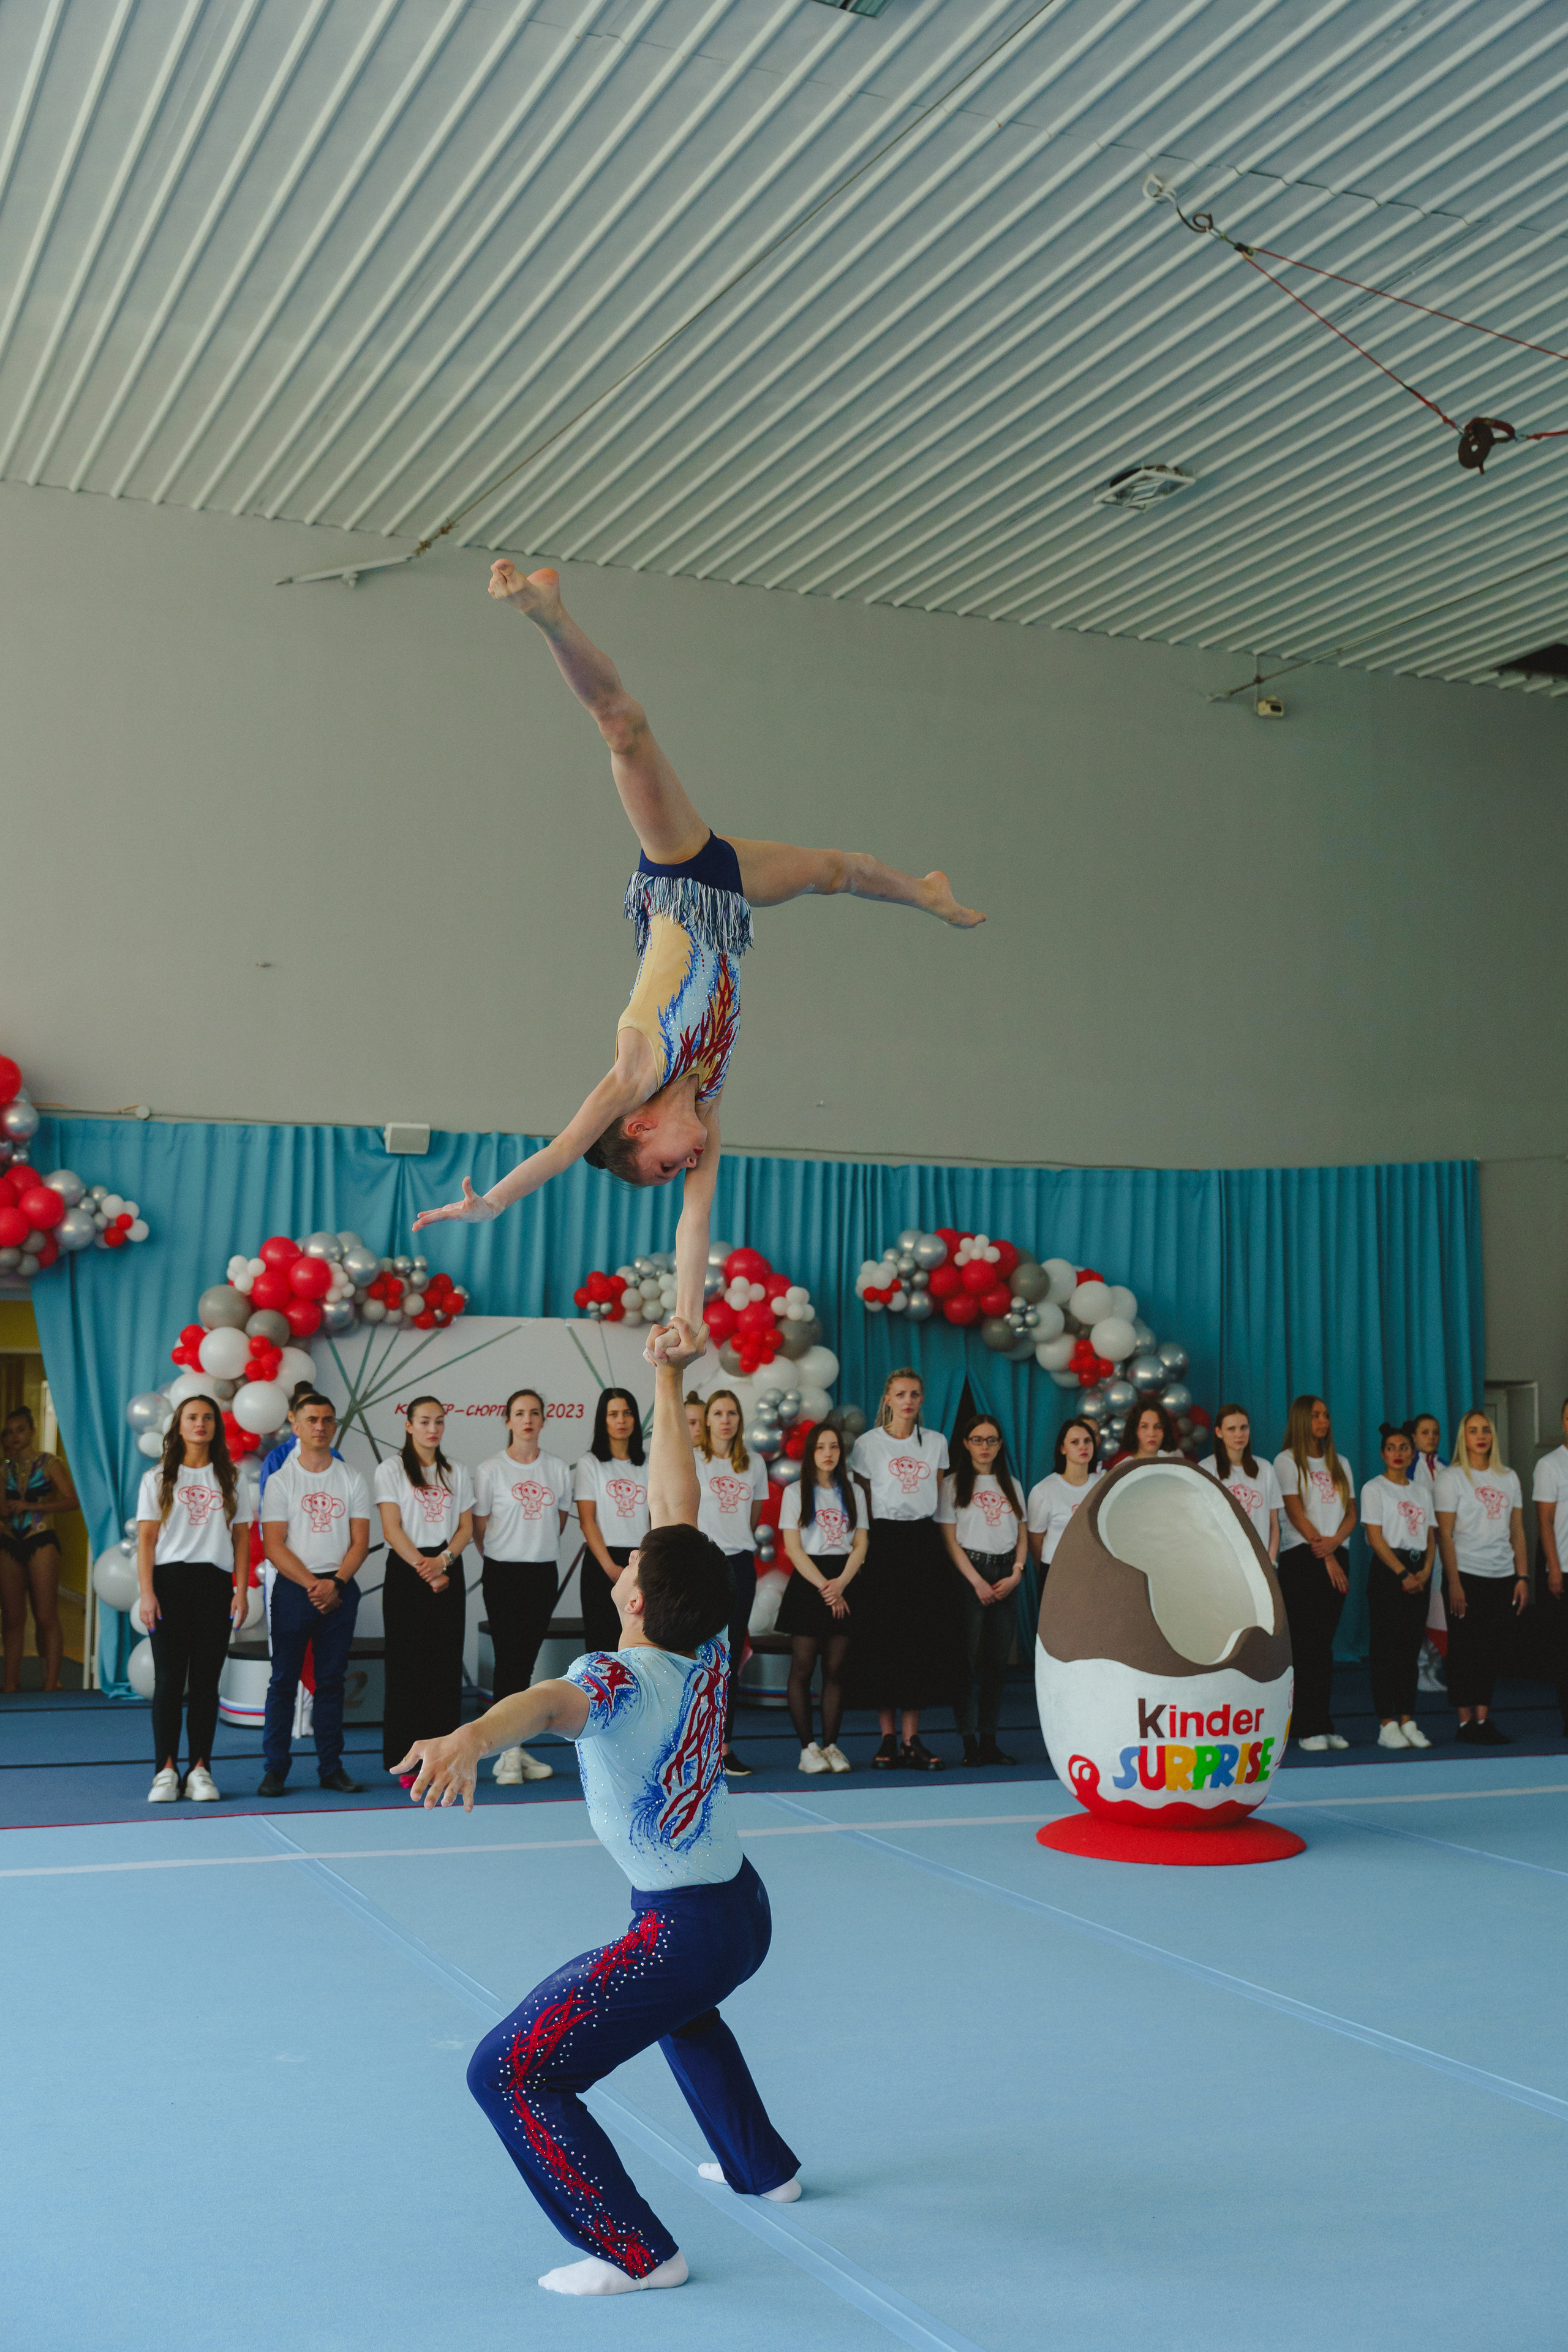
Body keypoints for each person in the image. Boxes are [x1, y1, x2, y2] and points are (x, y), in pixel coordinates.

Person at [412, 564, 982, 1343]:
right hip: (729, 892)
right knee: (838, 871)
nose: (685, 1168)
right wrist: (687, 1319)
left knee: (622, 727)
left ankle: (546, 615)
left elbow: (565, 1147)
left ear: (638, 1130)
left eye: (664, 1167)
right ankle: (928, 893)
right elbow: (695, 1224)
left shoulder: (634, 1073)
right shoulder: (707, 1097)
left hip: (678, 876)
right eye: (677, 1174)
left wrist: (495, 1203)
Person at [399, 1318, 801, 2300]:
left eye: (630, 1569)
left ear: (636, 1600)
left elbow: (544, 1704)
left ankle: (635, 2251)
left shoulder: (619, 1678)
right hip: (742, 1909)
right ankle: (763, 2169)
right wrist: (666, 1380)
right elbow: (676, 1507)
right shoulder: (712, 1642)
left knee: (508, 2072)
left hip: (686, 1932)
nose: (622, 1566)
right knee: (684, 2015)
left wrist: (470, 1736)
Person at [135, 1394, 253, 1801]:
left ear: (216, 1426)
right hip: (168, 1585)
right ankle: (165, 1770)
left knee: (205, 1682)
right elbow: (147, 1540)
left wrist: (240, 1591)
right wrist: (147, 1593)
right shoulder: (157, 1478)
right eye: (192, 1417)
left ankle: (201, 1769)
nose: (200, 1423)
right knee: (169, 1681)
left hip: (214, 1587)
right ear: (179, 1426)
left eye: (208, 1418)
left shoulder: (232, 1478)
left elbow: (241, 1538)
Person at [258, 1393, 371, 1796]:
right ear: (296, 1425)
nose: (320, 1427)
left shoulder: (352, 1479)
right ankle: (275, 1769)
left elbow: (360, 1543)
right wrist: (313, 1585)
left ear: (334, 1426)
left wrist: (335, 1584)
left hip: (340, 1588)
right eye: (312, 1419)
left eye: (327, 1420)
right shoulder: (281, 1480)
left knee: (331, 1682)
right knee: (283, 1681)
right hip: (295, 1589)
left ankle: (331, 1767)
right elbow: (274, 1545)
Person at [848, 1369, 952, 1772]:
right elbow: (861, 1499)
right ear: (888, 1399)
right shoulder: (868, 1444)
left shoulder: (936, 1443)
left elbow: (937, 1495)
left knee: (918, 1639)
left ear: (922, 1400)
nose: (908, 1401)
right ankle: (887, 1737)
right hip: (883, 1541)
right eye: (901, 1394)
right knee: (884, 1638)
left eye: (915, 1394)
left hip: (922, 1542)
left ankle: (912, 1739)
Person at [473, 1389, 571, 1787]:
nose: (527, 1419)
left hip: (542, 1573)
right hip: (503, 1574)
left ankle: (515, 1747)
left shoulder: (558, 1469)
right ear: (508, 1421)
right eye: (519, 1413)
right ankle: (506, 1751)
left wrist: (534, 1548)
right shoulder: (491, 1470)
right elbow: (480, 1529)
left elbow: (558, 1521)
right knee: (508, 1661)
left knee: (525, 1663)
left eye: (534, 1413)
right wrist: (505, 1554)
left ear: (544, 1420)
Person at [375, 1395, 475, 1782]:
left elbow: (465, 1527)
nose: (433, 1429)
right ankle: (406, 1758)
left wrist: (443, 1562)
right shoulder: (391, 1469)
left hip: (448, 1568)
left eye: (439, 1422)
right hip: (408, 1572)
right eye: (425, 1422)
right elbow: (391, 1529)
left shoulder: (457, 1471)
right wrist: (426, 1568)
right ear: (409, 1426)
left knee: (444, 1667)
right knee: (407, 1668)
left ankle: (443, 1759)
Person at [776, 1422, 866, 1774]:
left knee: (836, 1669)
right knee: (803, 1666)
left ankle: (831, 1746)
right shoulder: (795, 1492)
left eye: (834, 1447)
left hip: (845, 1580)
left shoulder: (854, 1491)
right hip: (809, 1583)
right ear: (810, 1453)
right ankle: (808, 1749)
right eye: (820, 1447)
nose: (828, 1454)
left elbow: (861, 1544)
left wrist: (841, 1583)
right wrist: (827, 1589)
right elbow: (794, 1548)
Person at [937, 1415, 1025, 1768]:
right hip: (970, 1574)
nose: (984, 1446)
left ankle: (990, 1740)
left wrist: (1017, 1573)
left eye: (991, 1440)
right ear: (966, 1444)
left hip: (1006, 1575)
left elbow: (1022, 1534)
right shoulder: (952, 1485)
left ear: (1000, 1445)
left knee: (997, 1663)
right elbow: (949, 1540)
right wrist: (976, 1581)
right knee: (966, 1662)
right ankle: (969, 1742)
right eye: (977, 1439)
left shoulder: (1012, 1485)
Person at [1437, 1408, 1527, 1746]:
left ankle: (1483, 1719)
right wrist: (1454, 1582)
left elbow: (1517, 1530)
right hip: (1465, 1574)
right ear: (1464, 1436)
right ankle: (1465, 1723)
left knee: (1490, 1650)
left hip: (1501, 1575)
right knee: (1464, 1650)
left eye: (1486, 1430)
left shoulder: (1509, 1478)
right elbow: (1445, 1535)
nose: (1481, 1436)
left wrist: (1522, 1576)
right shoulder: (1451, 1478)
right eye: (1473, 1430)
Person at [1273, 1394, 1357, 1752]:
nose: (1323, 1421)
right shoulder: (1286, 1461)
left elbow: (1351, 1513)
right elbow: (1295, 1513)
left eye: (1326, 1415)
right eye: (1315, 1415)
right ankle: (1305, 1726)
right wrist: (1326, 1555)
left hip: (1335, 1552)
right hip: (1303, 1558)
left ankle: (1322, 1721)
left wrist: (1335, 1545)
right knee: (1306, 1646)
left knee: (1323, 1647)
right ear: (1301, 1420)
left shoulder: (1341, 1463)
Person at [695, 1389, 769, 1777]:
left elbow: (752, 1519)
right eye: (718, 1413)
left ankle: (722, 1747)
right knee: (697, 1657)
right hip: (702, 1565)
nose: (726, 1420)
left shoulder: (754, 1463)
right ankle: (694, 1748)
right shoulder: (694, 1460)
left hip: (739, 1565)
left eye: (732, 1413)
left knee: (729, 1657)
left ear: (740, 1420)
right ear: (707, 1420)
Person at [1359, 1425, 1436, 1749]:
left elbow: (1430, 1536)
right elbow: (1375, 1537)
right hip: (1390, 1571)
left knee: (1409, 1650)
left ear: (1413, 1452)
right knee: (1385, 1650)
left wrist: (1426, 1572)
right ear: (1382, 1454)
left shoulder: (1421, 1491)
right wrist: (1402, 1573)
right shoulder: (1374, 1489)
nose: (1398, 1453)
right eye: (1391, 1448)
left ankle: (1407, 1720)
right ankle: (1387, 1723)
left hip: (1419, 1573)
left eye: (1404, 1447)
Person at [1, 1404, 77, 1694]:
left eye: (21, 1430)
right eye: (10, 1432)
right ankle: (10, 1683)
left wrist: (31, 1506)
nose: (15, 1436)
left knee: (45, 1615)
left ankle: (51, 1682)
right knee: (12, 1618)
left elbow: (72, 1500)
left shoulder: (50, 1463)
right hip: (9, 1541)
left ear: (32, 1431)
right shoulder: (4, 1468)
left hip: (41, 1538)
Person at [575, 1389, 649, 1657]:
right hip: (602, 1563)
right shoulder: (590, 1463)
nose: (621, 1420)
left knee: (641, 1646)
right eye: (613, 1414)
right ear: (602, 1420)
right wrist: (611, 1569)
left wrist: (642, 1564)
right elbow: (587, 1522)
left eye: (627, 1413)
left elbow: (655, 1517)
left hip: (642, 1560)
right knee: (601, 1645)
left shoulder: (649, 1463)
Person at [1532, 1395, 1568, 1734]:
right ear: (1563, 1422)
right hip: (1565, 1567)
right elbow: (1544, 1522)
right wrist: (1553, 1569)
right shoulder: (1550, 1465)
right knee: (1565, 1649)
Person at [1205, 1403, 1282, 1559]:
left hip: (1259, 1562)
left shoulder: (1266, 1469)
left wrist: (1271, 1561)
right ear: (1219, 1432)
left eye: (1243, 1428)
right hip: (1222, 1562)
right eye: (1231, 1429)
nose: (1239, 1434)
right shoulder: (1207, 1469)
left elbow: (1274, 1525)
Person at [1025, 1417, 1101, 1577]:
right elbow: (1035, 1540)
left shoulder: (1103, 1484)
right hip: (1057, 1571)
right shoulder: (1044, 1490)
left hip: (1096, 1570)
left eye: (1088, 1441)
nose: (1083, 1446)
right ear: (1063, 1448)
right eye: (1075, 1442)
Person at [1113, 1401, 1180, 1464]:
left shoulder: (1175, 1465)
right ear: (1134, 1430)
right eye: (1144, 1426)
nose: (1152, 1434)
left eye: (1158, 1427)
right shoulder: (1124, 1468)